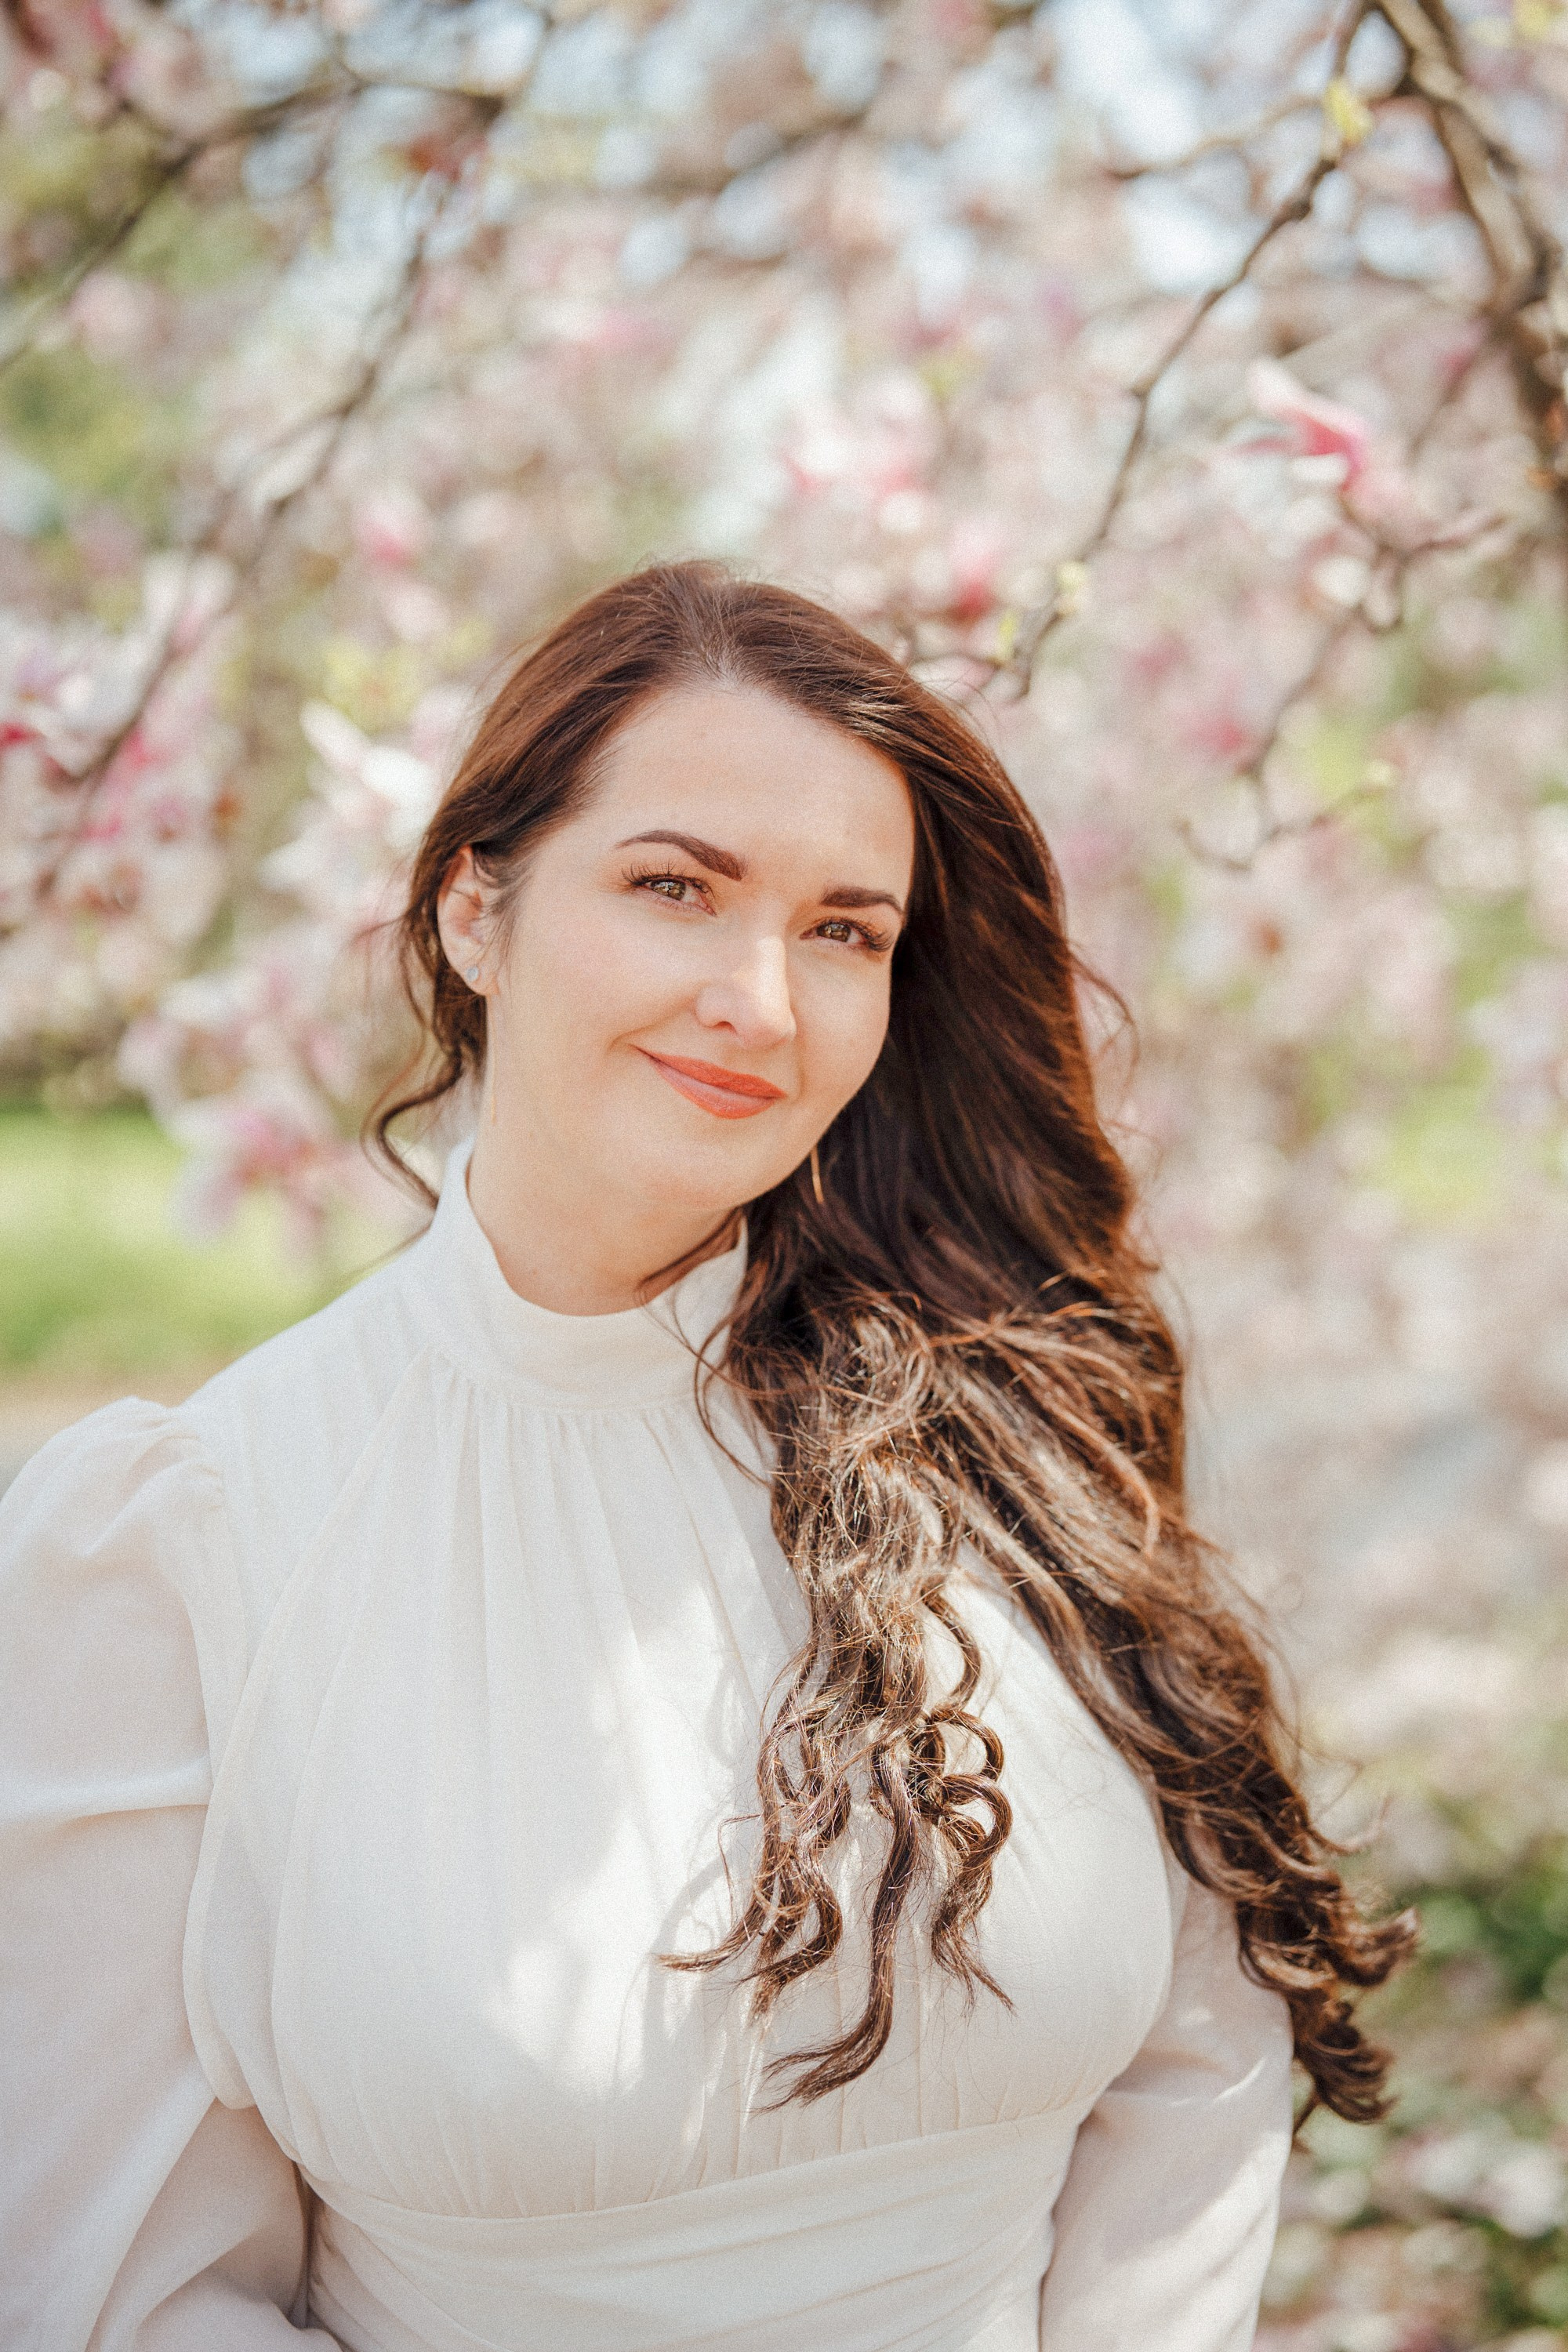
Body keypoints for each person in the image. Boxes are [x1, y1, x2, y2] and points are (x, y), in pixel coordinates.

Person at [1, 562, 1409, 2352]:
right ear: (472, 916)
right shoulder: (175, 1544)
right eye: (675, 888)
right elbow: (129, 2292)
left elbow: (1194, 2057)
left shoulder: (1013, 1429)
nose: (763, 999)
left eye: (845, 929)